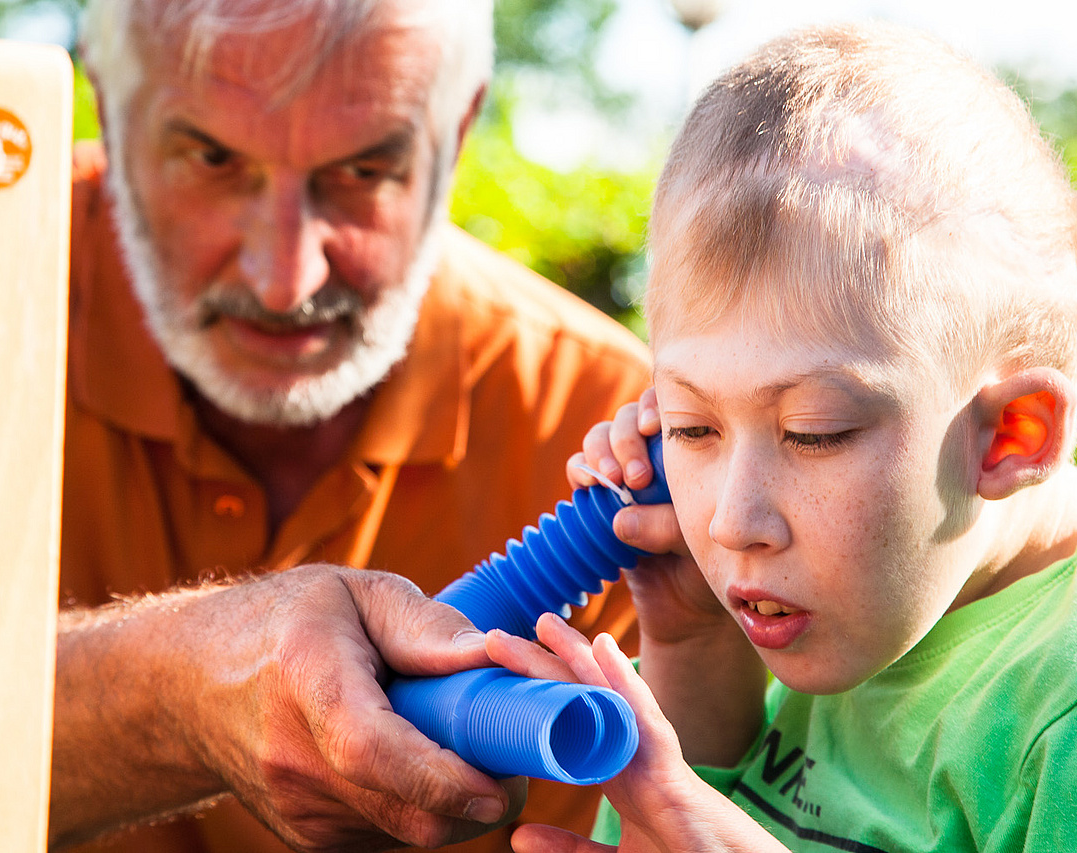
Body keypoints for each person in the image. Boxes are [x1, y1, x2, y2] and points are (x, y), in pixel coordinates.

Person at [492, 21, 1077, 853]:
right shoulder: (843, 601)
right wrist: (690, 640)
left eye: (813, 433)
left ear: (1009, 434)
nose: (731, 521)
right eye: (692, 425)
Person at [51, 0, 652, 851]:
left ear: (458, 128)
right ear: (108, 108)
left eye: (365, 168)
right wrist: (176, 687)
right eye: (213, 158)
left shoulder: (601, 420)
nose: (284, 279)